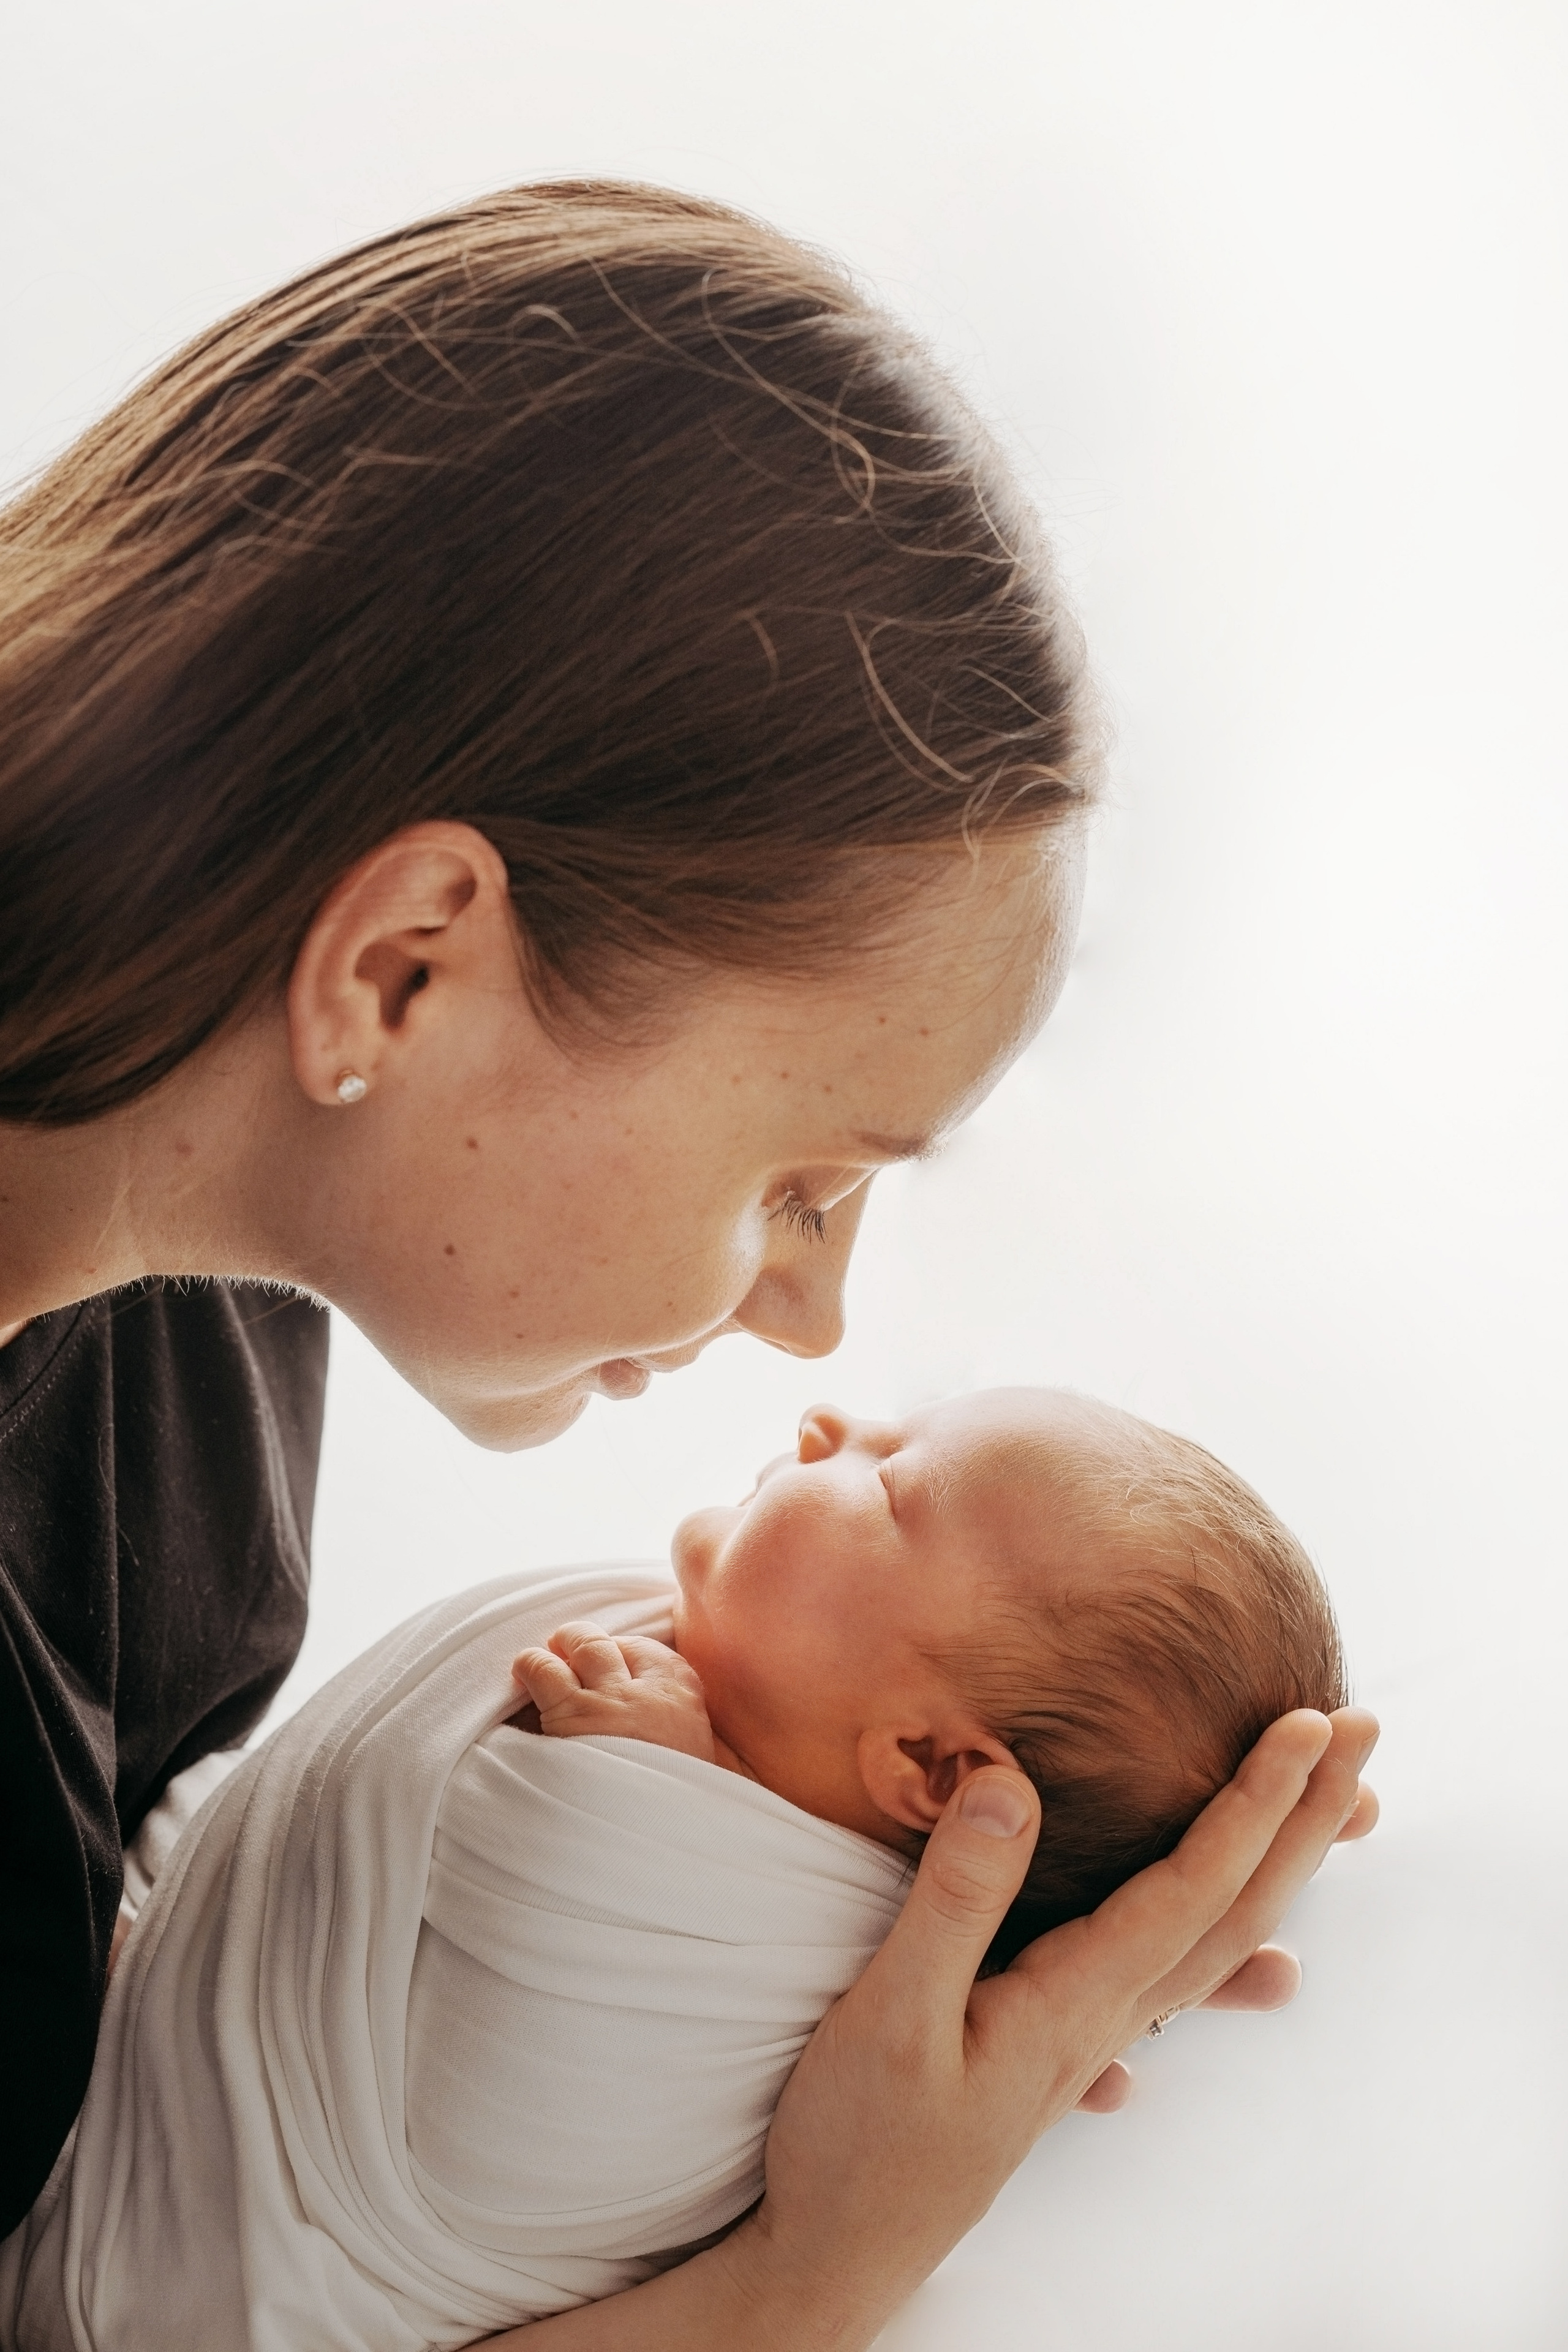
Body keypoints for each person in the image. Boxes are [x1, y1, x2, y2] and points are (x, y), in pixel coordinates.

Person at [0, 179, 1376, 2346]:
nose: (810, 1322)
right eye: (803, 1181)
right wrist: (808, 2280)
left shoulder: (195, 1314)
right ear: (406, 968)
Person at [2, 1386, 1349, 2351]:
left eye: (890, 1483)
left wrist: (632, 1782)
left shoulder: (715, 1914)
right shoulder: (712, 1719)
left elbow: (541, 2046)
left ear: (933, 1769)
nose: (827, 1420)